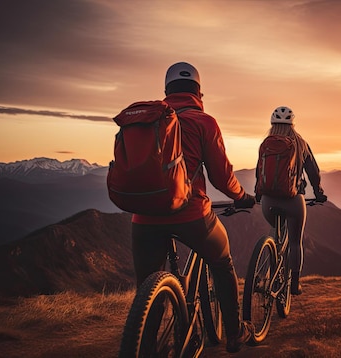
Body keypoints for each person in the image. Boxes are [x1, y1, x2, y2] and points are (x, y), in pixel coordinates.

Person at [131, 62, 256, 353]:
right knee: (222, 262)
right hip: (190, 215)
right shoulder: (204, 122)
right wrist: (241, 197)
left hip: (143, 218)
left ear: (166, 91)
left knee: (148, 293)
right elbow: (221, 176)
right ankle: (235, 333)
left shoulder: (149, 120)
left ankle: (143, 346)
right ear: (199, 92)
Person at [255, 106, 327, 295]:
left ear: (272, 124)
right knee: (295, 242)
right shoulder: (300, 144)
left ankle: (266, 273)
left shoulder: (266, 144)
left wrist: (258, 195)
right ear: (292, 124)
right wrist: (318, 193)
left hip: (268, 201)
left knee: (274, 234)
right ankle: (294, 284)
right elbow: (314, 173)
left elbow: (259, 172)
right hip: (293, 200)